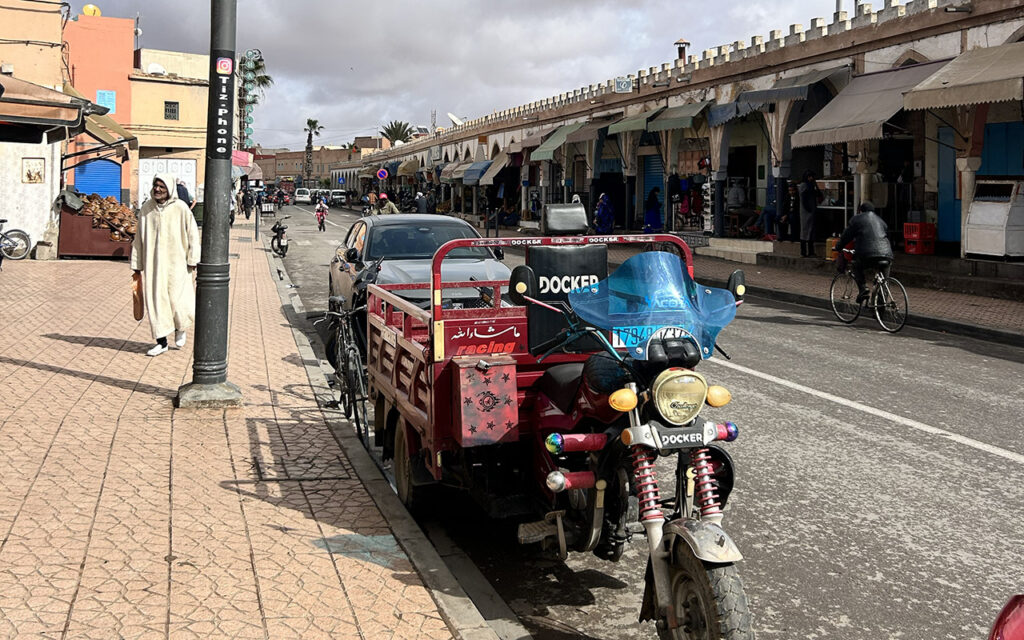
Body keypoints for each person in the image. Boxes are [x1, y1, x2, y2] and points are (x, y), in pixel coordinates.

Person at [131, 174, 200, 357]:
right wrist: (137, 264)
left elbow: (193, 234)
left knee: (178, 300)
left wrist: (193, 259)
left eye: (162, 186)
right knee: (157, 303)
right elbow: (139, 239)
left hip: (178, 264)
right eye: (156, 185)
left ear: (169, 188)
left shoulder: (181, 208)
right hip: (153, 265)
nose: (158, 189)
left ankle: (180, 328)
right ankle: (161, 342)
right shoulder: (146, 209)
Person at [835, 201, 894, 304]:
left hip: (867, 254)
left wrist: (838, 247)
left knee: (856, 265)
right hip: (886, 254)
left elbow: (846, 236)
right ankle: (880, 308)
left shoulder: (856, 219)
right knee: (884, 280)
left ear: (860, 211)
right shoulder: (881, 221)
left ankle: (863, 289)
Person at [798, 170, 822, 257]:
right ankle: (803, 252)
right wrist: (808, 209)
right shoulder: (803, 186)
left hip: (811, 211)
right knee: (805, 232)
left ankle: (811, 252)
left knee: (810, 231)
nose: (811, 178)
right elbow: (803, 199)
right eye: (810, 177)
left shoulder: (811, 185)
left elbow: (818, 194)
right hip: (806, 211)